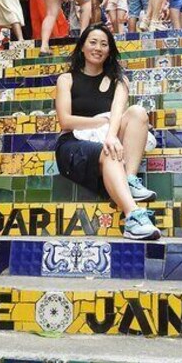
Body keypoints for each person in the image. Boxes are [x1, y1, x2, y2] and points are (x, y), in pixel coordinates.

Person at [55, 24, 161, 240]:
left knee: (138, 112)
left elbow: (117, 112)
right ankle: (133, 216)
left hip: (106, 140)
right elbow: (65, 121)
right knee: (110, 151)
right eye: (93, 42)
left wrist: (111, 135)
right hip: (72, 145)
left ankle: (129, 178)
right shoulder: (67, 79)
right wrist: (98, 122)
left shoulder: (119, 80)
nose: (98, 48)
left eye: (104, 44)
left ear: (110, 50)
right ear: (82, 46)